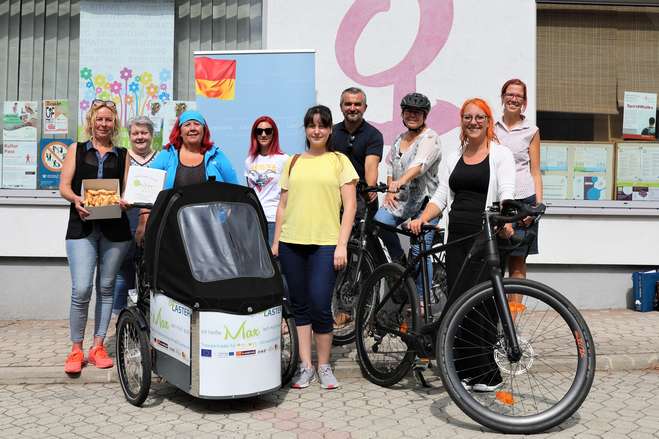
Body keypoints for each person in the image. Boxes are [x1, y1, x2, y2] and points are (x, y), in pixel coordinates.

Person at [409, 98, 515, 392]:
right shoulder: (456, 155)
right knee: (459, 301)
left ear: (488, 120)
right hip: (458, 235)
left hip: (487, 234)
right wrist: (422, 217)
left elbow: (506, 190)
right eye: (467, 117)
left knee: (482, 302)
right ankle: (465, 371)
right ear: (462, 121)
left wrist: (507, 218)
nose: (473, 122)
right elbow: (441, 196)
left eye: (479, 117)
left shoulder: (500, 154)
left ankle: (487, 373)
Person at [272, 105, 358, 390]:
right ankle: (304, 366)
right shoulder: (293, 161)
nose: (317, 130)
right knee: (299, 306)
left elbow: (350, 208)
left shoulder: (339, 161)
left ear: (330, 129)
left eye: (322, 125)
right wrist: (276, 241)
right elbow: (283, 205)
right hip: (291, 242)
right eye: (311, 125)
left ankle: (324, 365)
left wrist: (341, 245)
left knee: (321, 304)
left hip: (325, 244)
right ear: (306, 129)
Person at [59, 99, 132, 374]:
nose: (103, 124)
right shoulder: (76, 150)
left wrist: (128, 201)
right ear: (91, 121)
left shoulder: (123, 155)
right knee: (81, 289)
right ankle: (76, 349)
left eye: (108, 120)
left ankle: (98, 346)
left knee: (106, 288)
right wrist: (76, 199)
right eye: (99, 119)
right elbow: (64, 186)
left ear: (114, 124)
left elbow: (127, 191)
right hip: (82, 228)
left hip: (115, 230)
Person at [374, 92, 442, 298]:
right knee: (380, 221)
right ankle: (398, 260)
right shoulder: (399, 139)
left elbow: (419, 166)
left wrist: (400, 182)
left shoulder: (431, 138)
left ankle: (423, 300)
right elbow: (390, 166)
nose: (413, 115)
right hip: (404, 201)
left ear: (425, 115)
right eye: (409, 112)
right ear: (402, 114)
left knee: (419, 251)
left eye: (418, 112)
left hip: (426, 201)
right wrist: (388, 192)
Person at [135, 110, 238, 243]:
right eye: (187, 124)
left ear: (204, 130)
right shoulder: (167, 155)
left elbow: (235, 189)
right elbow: (147, 190)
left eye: (197, 124)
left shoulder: (217, 155)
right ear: (180, 131)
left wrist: (227, 214)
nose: (193, 128)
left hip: (211, 230)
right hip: (173, 228)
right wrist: (143, 221)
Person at [494, 79, 543, 282]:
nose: (514, 99)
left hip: (523, 199)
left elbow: (535, 170)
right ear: (503, 96)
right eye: (510, 94)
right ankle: (495, 313)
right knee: (494, 260)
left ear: (524, 101)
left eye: (519, 96)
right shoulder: (491, 128)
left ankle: (514, 315)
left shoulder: (531, 131)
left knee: (517, 261)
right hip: (498, 201)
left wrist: (538, 205)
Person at [112, 117, 157, 315]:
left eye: (144, 133)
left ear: (151, 135)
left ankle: (149, 314)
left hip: (154, 218)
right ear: (129, 136)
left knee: (150, 268)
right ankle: (120, 315)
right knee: (124, 267)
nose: (140, 137)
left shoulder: (161, 157)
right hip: (127, 219)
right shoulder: (123, 156)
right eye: (135, 133)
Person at [329, 86, 384, 217]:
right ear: (341, 107)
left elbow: (371, 165)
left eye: (357, 104)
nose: (352, 108)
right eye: (348, 104)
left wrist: (370, 188)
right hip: (335, 195)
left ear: (365, 107)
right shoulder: (331, 133)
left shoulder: (374, 135)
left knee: (364, 237)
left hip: (362, 195)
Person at [245, 116, 289, 245]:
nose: (263, 135)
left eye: (268, 131)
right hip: (254, 219)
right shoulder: (249, 161)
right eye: (259, 131)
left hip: (274, 219)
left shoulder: (284, 159)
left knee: (273, 261)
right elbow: (250, 191)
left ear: (274, 133)